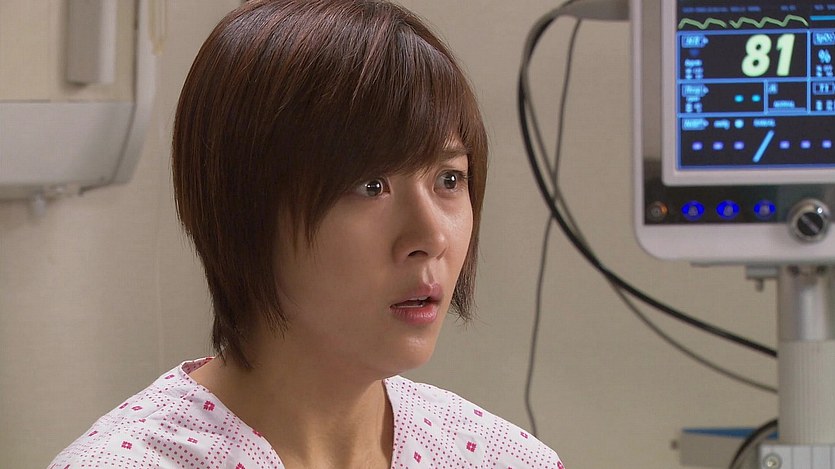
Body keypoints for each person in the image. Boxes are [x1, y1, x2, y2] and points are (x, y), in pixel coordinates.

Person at [49, 0, 565, 467]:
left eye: (449, 180)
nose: (431, 236)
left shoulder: (505, 459)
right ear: (244, 205)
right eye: (371, 185)